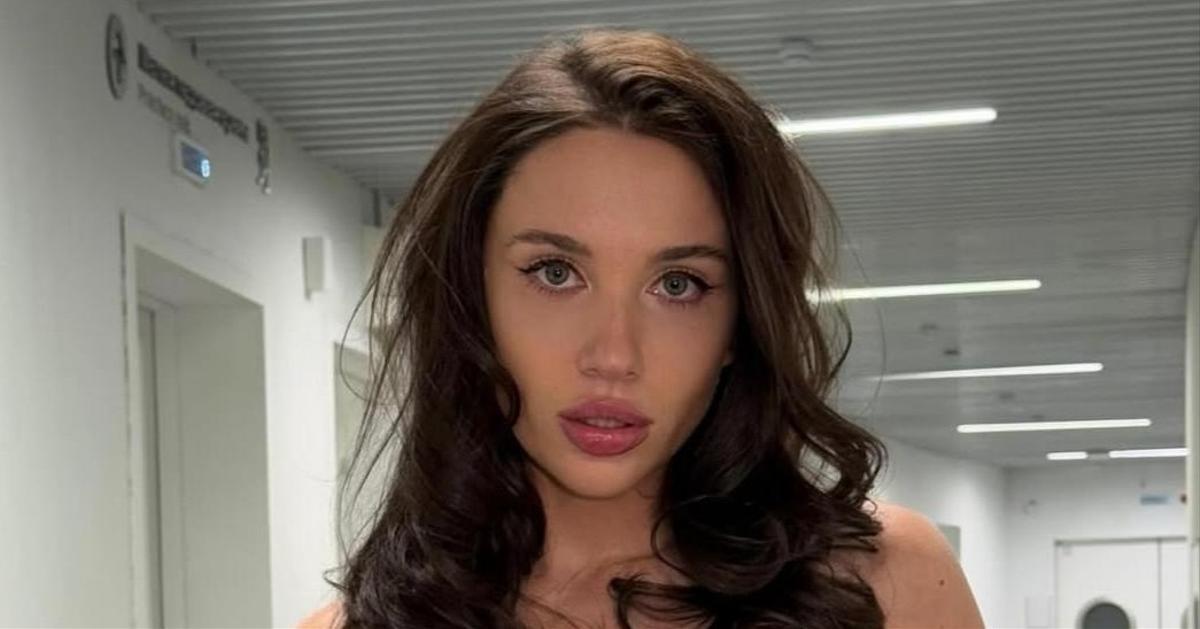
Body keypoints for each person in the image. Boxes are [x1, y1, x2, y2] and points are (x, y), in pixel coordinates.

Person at [300, 27, 984, 629]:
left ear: (739, 326)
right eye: (555, 273)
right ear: (471, 296)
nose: (614, 355)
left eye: (678, 285)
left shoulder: (886, 585)